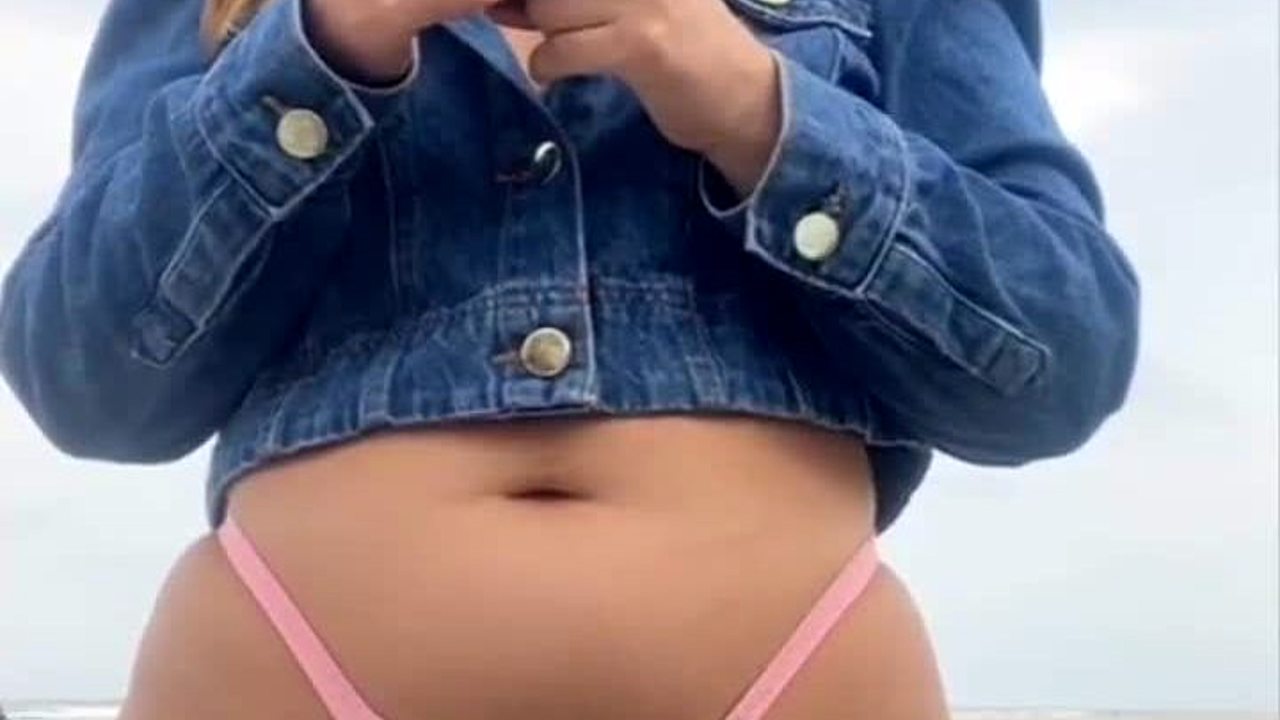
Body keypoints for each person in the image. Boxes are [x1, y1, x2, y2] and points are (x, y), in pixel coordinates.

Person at [0, 0, 1139, 714]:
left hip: (804, 667)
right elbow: (86, 381)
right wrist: (321, 46)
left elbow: (1059, 364)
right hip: (277, 666)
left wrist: (758, 111)